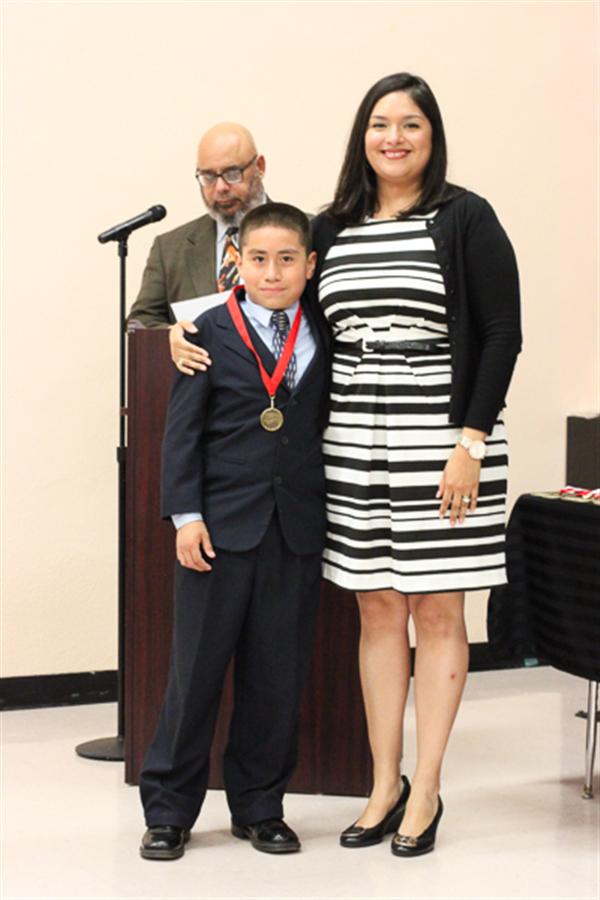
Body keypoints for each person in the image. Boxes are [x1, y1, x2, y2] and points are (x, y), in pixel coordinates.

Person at [307, 72, 521, 857]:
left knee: (437, 611)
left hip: (443, 442)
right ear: (361, 136)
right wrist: (180, 331)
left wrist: (471, 443)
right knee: (376, 609)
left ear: (432, 137)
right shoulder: (331, 226)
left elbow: (501, 333)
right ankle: (383, 783)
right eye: (379, 123)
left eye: (410, 125)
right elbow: (282, 308)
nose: (392, 137)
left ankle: (426, 786)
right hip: (353, 440)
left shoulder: (465, 216)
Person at [138, 203, 330, 860]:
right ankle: (169, 810)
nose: (272, 272)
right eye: (258, 259)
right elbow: (181, 434)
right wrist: (185, 516)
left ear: (309, 265)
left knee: (276, 677)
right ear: (237, 263)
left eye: (286, 259)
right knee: (194, 674)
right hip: (217, 530)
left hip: (294, 530)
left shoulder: (324, 330)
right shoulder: (206, 331)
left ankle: (260, 806)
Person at [127, 122, 267, 331]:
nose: (220, 187)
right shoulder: (169, 248)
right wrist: (173, 336)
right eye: (208, 177)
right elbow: (141, 322)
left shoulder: (306, 231)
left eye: (232, 174)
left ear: (260, 167)